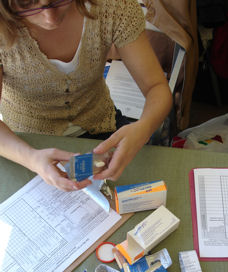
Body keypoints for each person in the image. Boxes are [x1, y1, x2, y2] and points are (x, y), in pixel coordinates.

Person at [0, 0, 172, 191]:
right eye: (27, 4)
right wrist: (31, 158)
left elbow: (156, 87)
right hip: (25, 143)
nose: (50, 18)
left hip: (102, 127)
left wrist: (144, 127)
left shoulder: (113, 6)